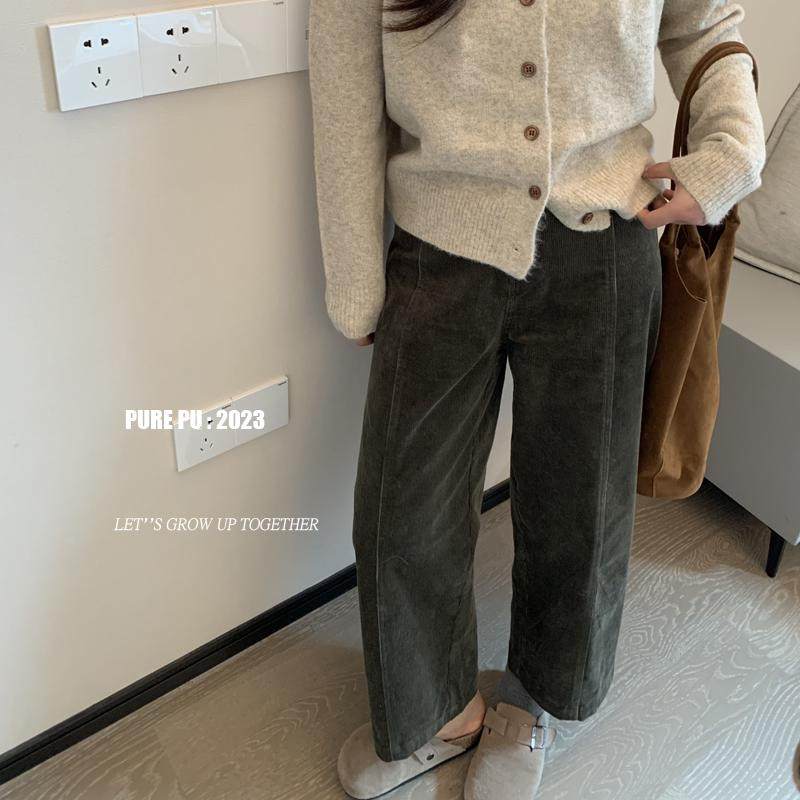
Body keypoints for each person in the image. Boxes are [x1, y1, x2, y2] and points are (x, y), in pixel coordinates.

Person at [308, 1, 766, 798]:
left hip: (605, 246)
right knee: (402, 510)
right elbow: (345, 80)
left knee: (579, 510)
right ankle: (439, 713)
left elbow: (704, 23)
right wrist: (354, 278)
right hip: (438, 249)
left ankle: (534, 704)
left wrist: (733, 151)